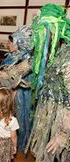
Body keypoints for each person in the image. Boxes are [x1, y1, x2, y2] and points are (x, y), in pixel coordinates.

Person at [25, 4, 70, 162]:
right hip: (46, 113)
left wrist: (63, 134)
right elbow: (29, 63)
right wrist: (9, 73)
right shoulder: (46, 52)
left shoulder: (67, 55)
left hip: (63, 120)